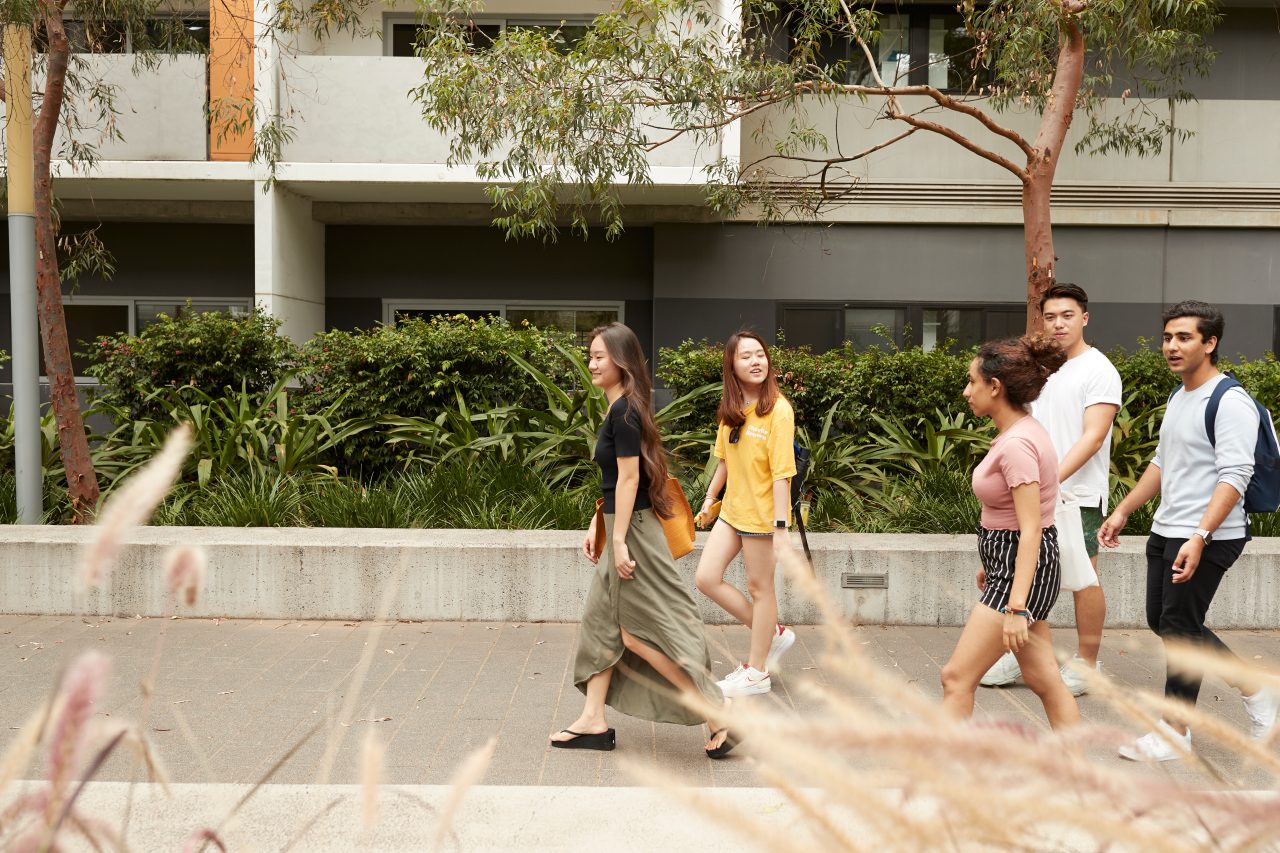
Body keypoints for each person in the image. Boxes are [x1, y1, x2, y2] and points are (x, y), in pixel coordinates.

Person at [1100, 301, 1277, 761]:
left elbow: (1234, 476)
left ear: (1210, 343)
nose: (1172, 347)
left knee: (1179, 626)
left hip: (1211, 533)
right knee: (1165, 621)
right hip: (1168, 527)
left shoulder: (1229, 401)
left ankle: (1175, 731)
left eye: (1184, 338)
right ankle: (1258, 691)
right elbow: (1163, 463)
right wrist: (1123, 511)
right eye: (1167, 338)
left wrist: (1200, 536)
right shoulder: (1181, 396)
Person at [551, 323, 735, 758]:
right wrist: (599, 525)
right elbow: (617, 481)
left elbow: (632, 477)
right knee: (601, 622)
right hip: (624, 525)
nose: (592, 363)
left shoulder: (626, 412)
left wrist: (617, 541)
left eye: (599, 356)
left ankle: (718, 710)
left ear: (622, 360)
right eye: (591, 356)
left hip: (632, 533)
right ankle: (593, 719)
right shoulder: (619, 408)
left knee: (638, 635)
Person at [981, 284, 1121, 696]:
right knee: (1029, 573)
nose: (1058, 323)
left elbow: (1093, 437)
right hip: (1031, 490)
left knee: (1084, 579)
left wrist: (1050, 478)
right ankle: (1026, 656)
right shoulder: (1040, 368)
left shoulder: (1099, 370)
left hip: (1077, 494)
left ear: (1084, 318)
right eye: (1051, 316)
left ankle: (1087, 664)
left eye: (1067, 315)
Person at [939, 335, 1080, 730]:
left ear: (995, 387)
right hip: (1014, 566)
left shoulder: (1018, 444)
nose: (967, 391)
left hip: (1020, 574)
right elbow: (1014, 524)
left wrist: (1016, 605)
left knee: (955, 677)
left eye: (972, 382)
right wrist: (994, 561)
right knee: (1044, 679)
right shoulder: (1021, 432)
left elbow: (1031, 529)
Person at [694, 330, 798, 698]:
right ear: (732, 366)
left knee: (760, 589)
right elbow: (724, 459)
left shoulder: (778, 411)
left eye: (760, 355)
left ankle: (757, 672)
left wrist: (781, 528)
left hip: (762, 519)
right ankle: (772, 632)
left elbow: (784, 473)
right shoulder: (732, 411)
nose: (756, 361)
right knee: (706, 577)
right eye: (746, 357)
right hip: (732, 512)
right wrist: (709, 498)